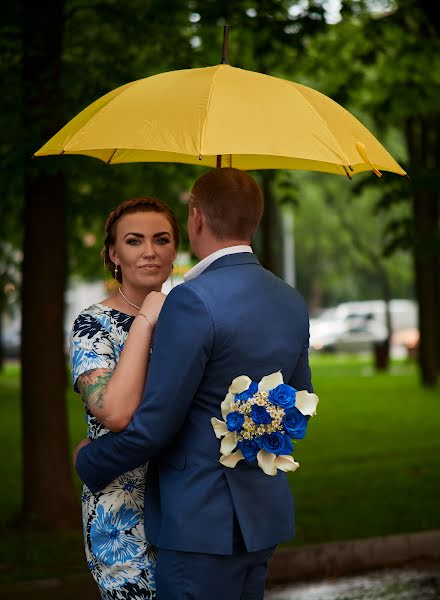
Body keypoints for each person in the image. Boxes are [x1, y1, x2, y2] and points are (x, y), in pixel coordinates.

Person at [75, 168, 313, 600]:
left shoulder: (193, 299)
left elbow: (156, 425)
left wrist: (89, 461)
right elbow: (297, 408)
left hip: (197, 517)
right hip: (260, 515)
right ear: (254, 220)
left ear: (196, 218)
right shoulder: (289, 299)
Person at [70, 196, 178, 600]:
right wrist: (146, 320)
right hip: (120, 506)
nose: (150, 251)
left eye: (161, 239)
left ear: (175, 250)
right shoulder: (92, 326)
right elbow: (113, 412)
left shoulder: (193, 317)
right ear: (113, 253)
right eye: (135, 241)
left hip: (185, 499)